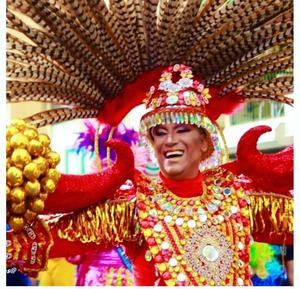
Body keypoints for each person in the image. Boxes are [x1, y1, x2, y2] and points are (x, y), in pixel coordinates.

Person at [7, 64, 293, 286]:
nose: (169, 140)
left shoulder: (240, 199)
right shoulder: (134, 208)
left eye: (182, 129)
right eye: (159, 133)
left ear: (205, 142)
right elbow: (38, 243)